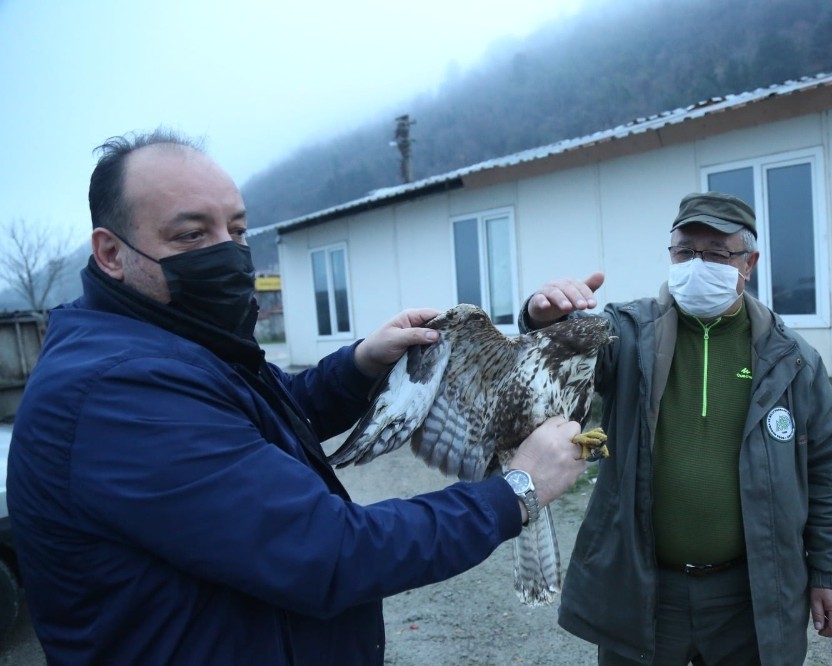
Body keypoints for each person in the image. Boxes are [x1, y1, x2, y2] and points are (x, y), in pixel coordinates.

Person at [7, 130, 586, 665]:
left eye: (236, 230)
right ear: (111, 253)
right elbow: (329, 553)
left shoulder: (171, 342)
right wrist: (516, 491)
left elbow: (257, 416)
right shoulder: (118, 390)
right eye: (191, 234)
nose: (228, 251)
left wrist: (359, 366)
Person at [521, 191, 832, 666]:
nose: (698, 265)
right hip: (645, 590)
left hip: (750, 594)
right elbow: (556, 356)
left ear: (749, 262)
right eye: (685, 252)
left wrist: (831, 574)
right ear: (670, 254)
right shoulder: (626, 331)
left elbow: (827, 472)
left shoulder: (793, 359)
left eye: (717, 254)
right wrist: (541, 317)